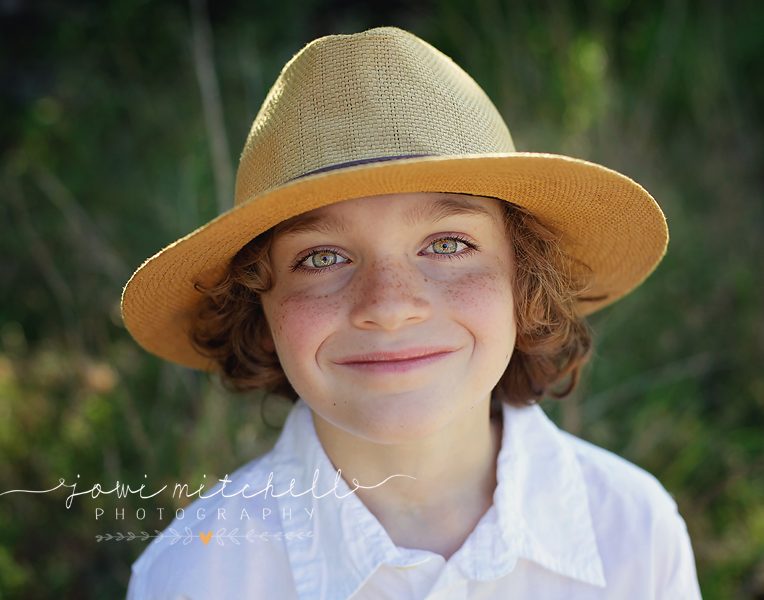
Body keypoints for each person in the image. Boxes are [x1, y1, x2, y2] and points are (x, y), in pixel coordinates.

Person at [123, 26, 701, 600]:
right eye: (321, 257)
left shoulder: (634, 533)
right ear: (260, 308)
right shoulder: (194, 576)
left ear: (523, 280)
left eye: (448, 244)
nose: (390, 306)